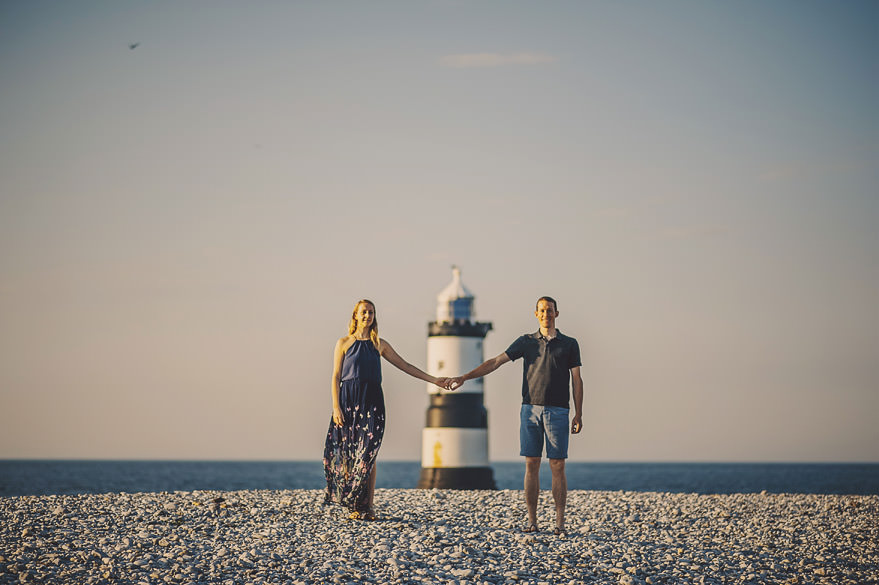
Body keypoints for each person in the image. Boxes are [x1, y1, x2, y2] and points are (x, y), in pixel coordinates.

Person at [447, 296, 583, 535]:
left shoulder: (570, 344)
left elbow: (577, 379)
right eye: (542, 310)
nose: (546, 314)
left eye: (550, 310)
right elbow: (495, 362)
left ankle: (560, 523)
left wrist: (578, 413)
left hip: (559, 410)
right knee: (532, 463)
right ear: (536, 314)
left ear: (556, 313)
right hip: (530, 410)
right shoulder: (526, 342)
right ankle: (532, 522)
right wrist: (464, 377)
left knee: (557, 465)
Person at [323, 299, 449, 520]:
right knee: (349, 455)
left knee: (368, 455)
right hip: (348, 402)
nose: (367, 316)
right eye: (364, 312)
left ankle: (368, 506)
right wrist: (336, 407)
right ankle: (355, 506)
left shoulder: (379, 344)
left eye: (371, 312)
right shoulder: (343, 343)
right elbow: (335, 376)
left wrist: (434, 380)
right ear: (355, 315)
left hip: (372, 403)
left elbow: (405, 366)